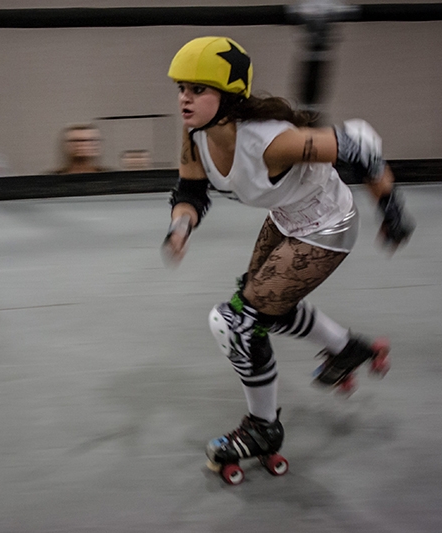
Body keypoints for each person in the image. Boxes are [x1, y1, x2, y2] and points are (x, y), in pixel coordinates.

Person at [161, 37, 415, 484]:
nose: (185, 97)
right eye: (182, 87)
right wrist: (180, 227)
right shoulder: (194, 134)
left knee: (237, 321)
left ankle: (264, 428)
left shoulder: (270, 142)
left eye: (198, 89)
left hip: (326, 224)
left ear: (228, 95)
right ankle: (347, 347)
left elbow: (359, 146)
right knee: (260, 306)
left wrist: (391, 209)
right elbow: (190, 192)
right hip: (285, 217)